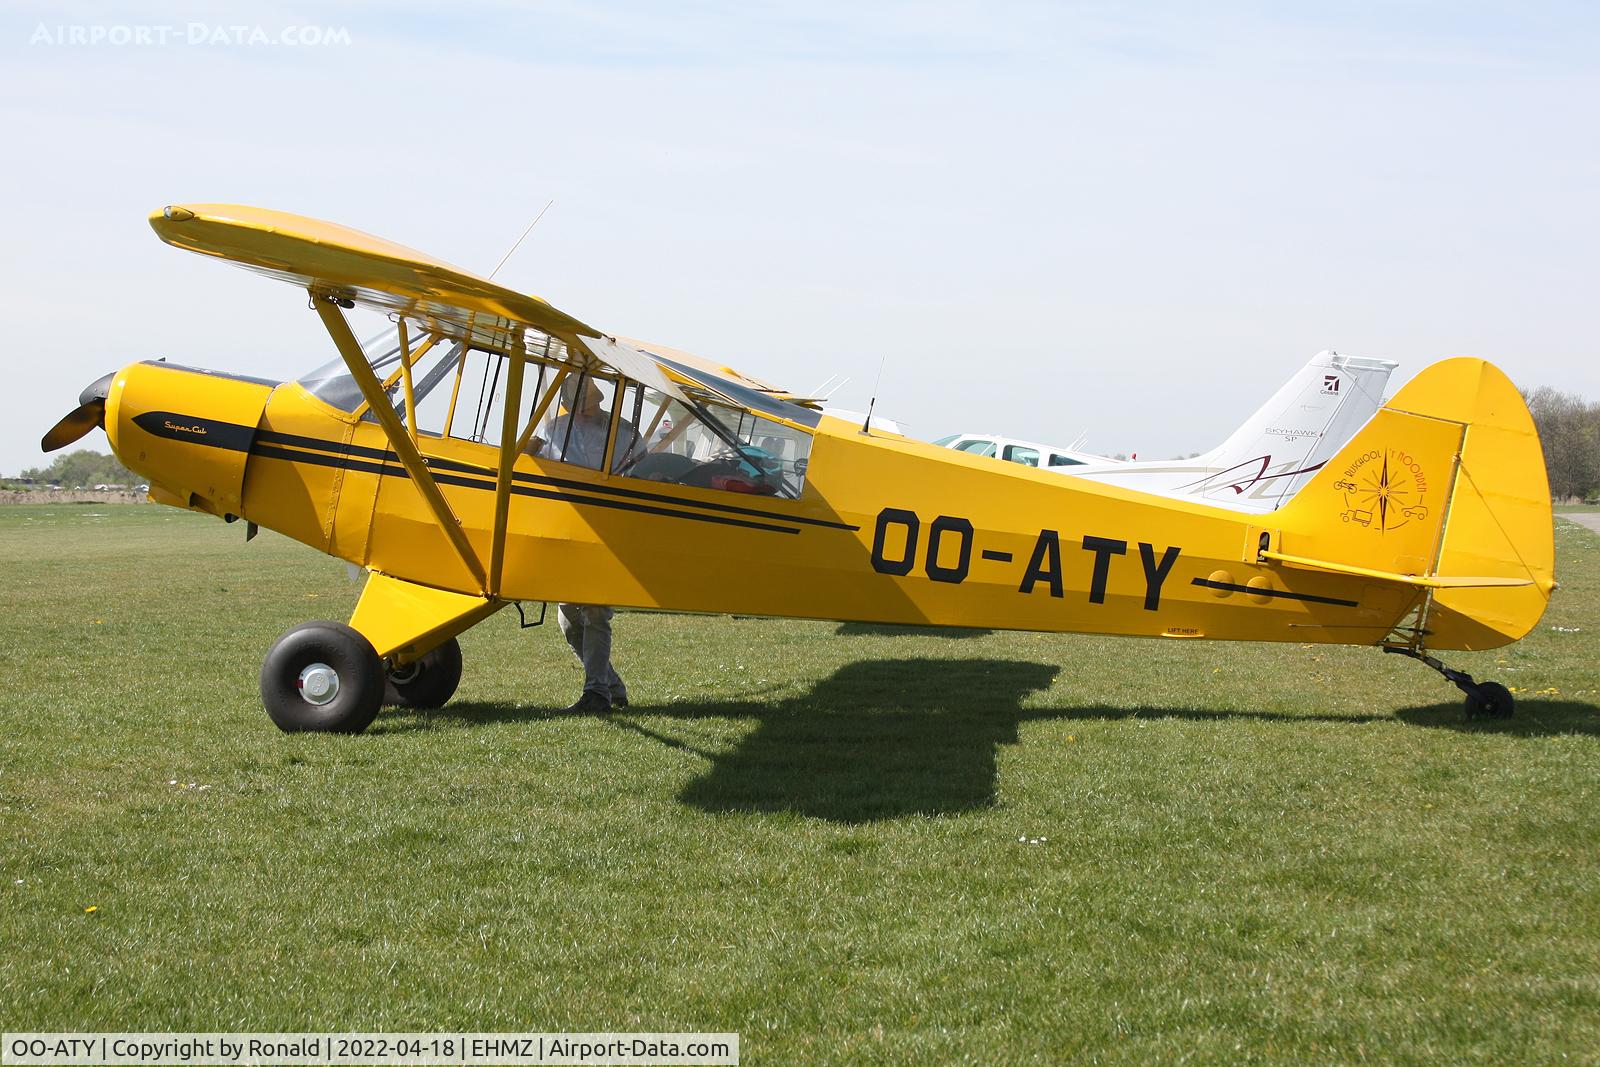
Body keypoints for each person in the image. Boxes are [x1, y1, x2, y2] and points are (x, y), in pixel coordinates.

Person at [530, 376, 635, 713]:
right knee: (567, 618)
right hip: (569, 528)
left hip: (608, 529)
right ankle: (610, 686)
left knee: (595, 612)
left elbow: (641, 469)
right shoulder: (555, 429)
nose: (586, 410)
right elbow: (540, 458)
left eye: (589, 403)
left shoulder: (622, 430)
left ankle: (596, 694)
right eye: (579, 404)